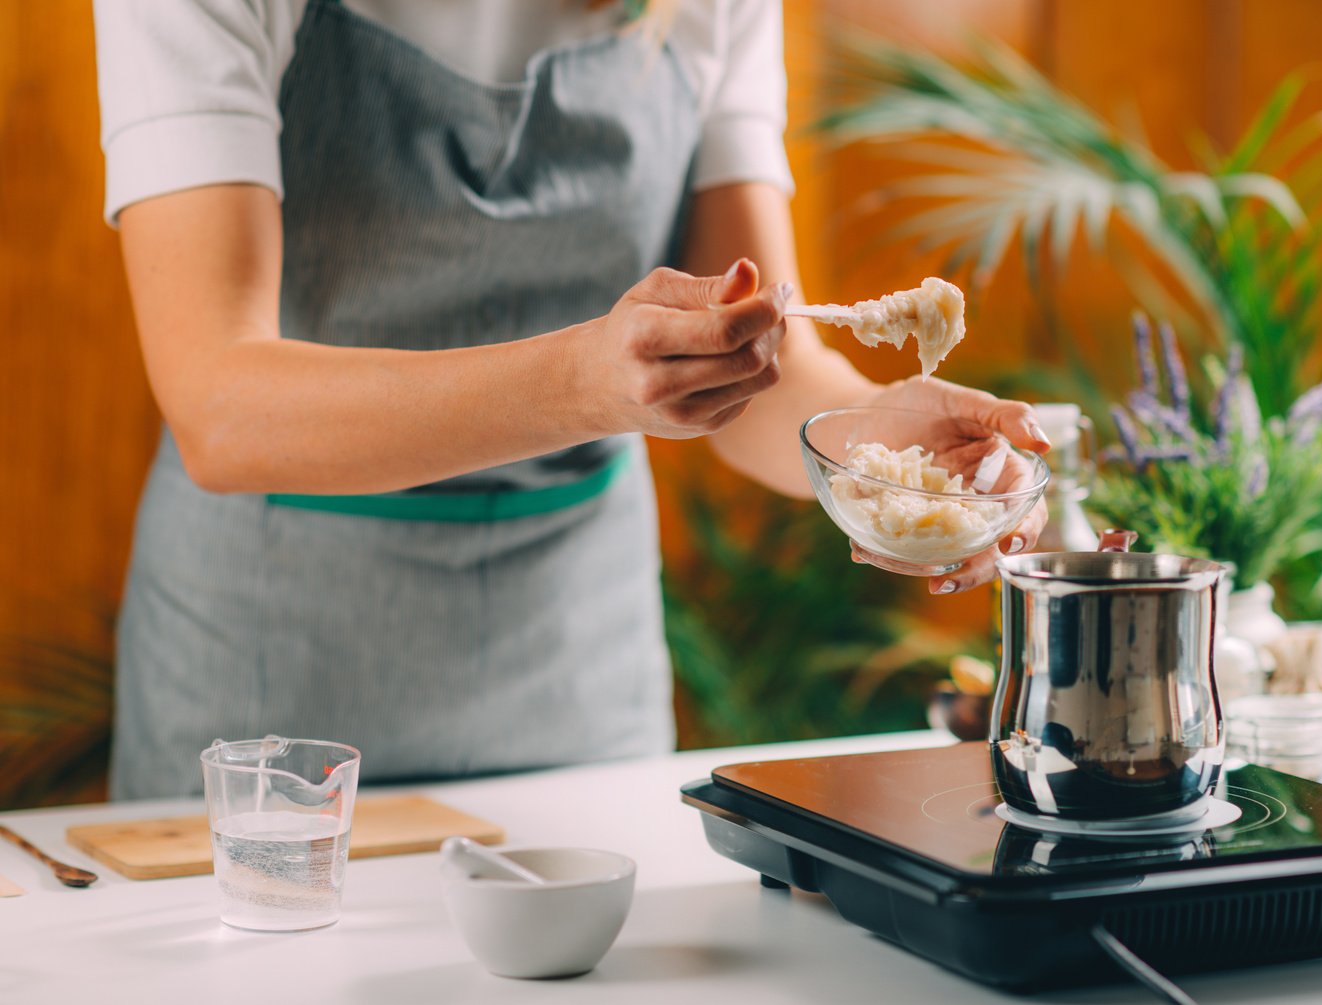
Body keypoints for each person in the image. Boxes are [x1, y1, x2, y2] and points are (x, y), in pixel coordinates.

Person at [94, 0, 1050, 799]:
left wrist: (886, 449)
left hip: (579, 662)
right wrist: (580, 384)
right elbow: (222, 406)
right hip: (268, 671)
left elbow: (765, 370)